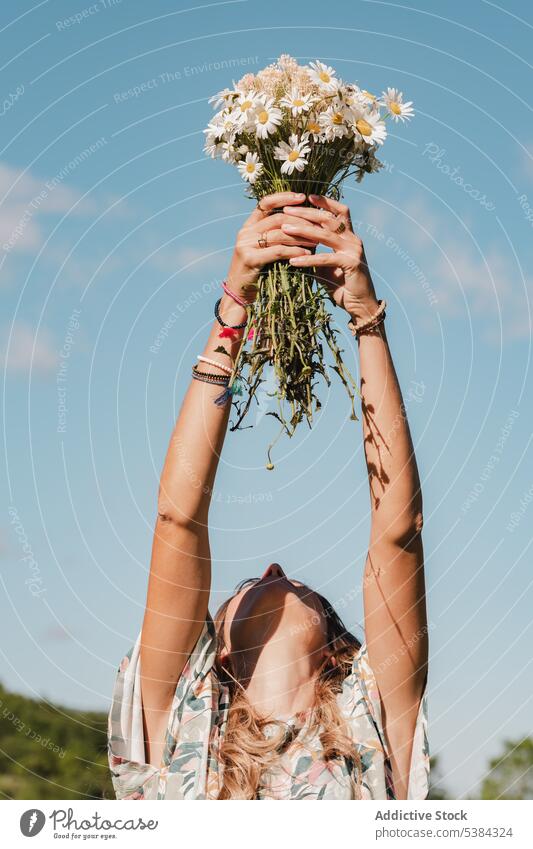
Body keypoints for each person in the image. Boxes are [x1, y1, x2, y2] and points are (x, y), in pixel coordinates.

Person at [107, 191, 429, 800]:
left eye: (248, 585)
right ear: (215, 655)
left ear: (341, 657)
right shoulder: (174, 725)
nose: (274, 566)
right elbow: (178, 516)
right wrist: (235, 300)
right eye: (244, 589)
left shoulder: (375, 723)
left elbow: (398, 527)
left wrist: (366, 315)